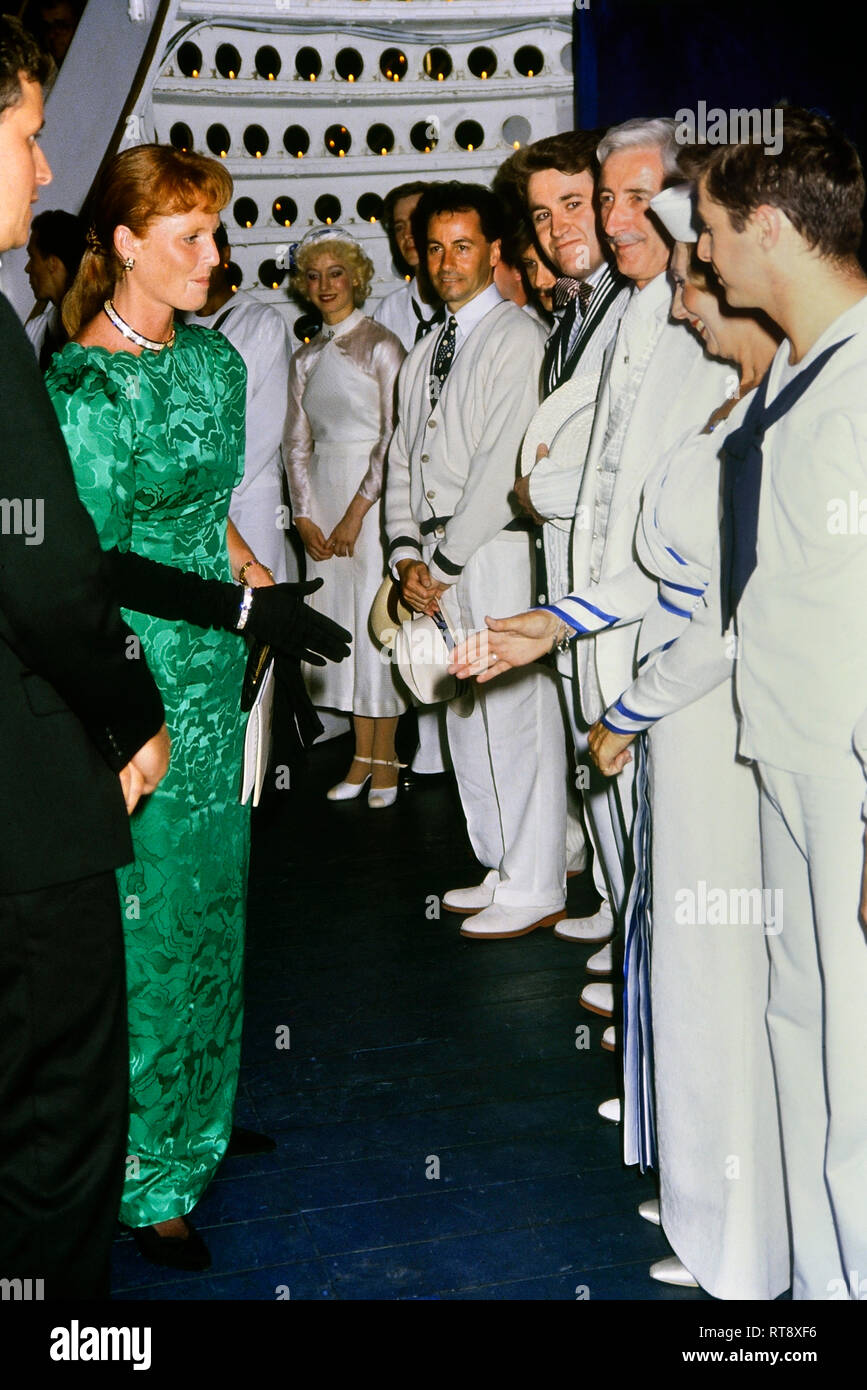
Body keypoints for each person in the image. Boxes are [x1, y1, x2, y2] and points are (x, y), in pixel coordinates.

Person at [46, 142, 283, 1273]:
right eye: (190, 236)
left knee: (216, 910)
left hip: (222, 667)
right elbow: (93, 567)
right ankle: (147, 1175)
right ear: (126, 244)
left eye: (218, 232)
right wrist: (228, 613)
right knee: (149, 927)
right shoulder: (82, 387)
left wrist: (259, 585)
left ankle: (200, 1123)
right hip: (140, 680)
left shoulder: (216, 365)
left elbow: (204, 518)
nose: (215, 256)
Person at [579, 184, 788, 1297]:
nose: (676, 303)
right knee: (689, 973)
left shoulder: (785, 412)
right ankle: (714, 1200)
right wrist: (549, 623)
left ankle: (748, 1244)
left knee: (725, 984)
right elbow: (662, 575)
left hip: (725, 739)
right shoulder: (734, 406)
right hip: (684, 730)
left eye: (692, 275)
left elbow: (722, 618)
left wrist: (628, 709)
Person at [0, 17, 168, 1298]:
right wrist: (129, 710)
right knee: (56, 1121)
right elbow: (52, 577)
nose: (46, 172)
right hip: (24, 801)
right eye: (25, 138)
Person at [688, 109, 867, 1301]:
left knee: (859, 1082)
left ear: (770, 229)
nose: (702, 258)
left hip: (850, 777)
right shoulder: (808, 370)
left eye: (710, 233)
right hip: (793, 749)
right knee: (805, 1043)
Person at [386, 181, 567, 939]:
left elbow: (501, 468)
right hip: (436, 555)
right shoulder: (428, 346)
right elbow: (400, 456)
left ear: (494, 250)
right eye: (434, 248)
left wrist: (448, 559)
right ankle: (499, 863)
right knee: (467, 712)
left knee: (513, 711)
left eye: (463, 246)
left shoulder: (516, 335)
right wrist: (404, 554)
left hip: (489, 549)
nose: (447, 262)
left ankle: (537, 878)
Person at [513, 131, 632, 951]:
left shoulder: (638, 305)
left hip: (615, 579)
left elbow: (611, 460)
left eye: (573, 206)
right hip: (568, 573)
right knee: (591, 753)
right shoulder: (572, 311)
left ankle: (638, 946)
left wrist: (530, 489)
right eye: (541, 215)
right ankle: (623, 920)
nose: (557, 230)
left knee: (624, 772)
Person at [286, 226, 407, 808]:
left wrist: (359, 512)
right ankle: (361, 757)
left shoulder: (383, 345)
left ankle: (387, 761)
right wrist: (304, 516)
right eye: (313, 275)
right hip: (323, 502)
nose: (325, 285)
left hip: (377, 504)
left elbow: (395, 436)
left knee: (376, 625)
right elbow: (295, 444)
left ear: (357, 277)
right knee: (345, 632)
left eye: (336, 273)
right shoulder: (305, 357)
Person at [372, 181, 449, 777]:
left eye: (416, 223)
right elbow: (393, 434)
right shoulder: (390, 314)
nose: (407, 236)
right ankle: (421, 749)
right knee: (414, 627)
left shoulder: (493, 313)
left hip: (462, 507)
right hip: (409, 498)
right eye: (398, 227)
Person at [182, 221, 292, 580]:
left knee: (259, 598)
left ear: (224, 255)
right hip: (192, 495)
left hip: (250, 493)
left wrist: (219, 480)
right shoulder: (175, 324)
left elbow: (270, 419)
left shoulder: (261, 321)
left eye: (208, 250)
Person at [23, 206, 84, 368]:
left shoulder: (97, 323)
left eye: (32, 257)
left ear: (52, 263)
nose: (27, 268)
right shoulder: (35, 330)